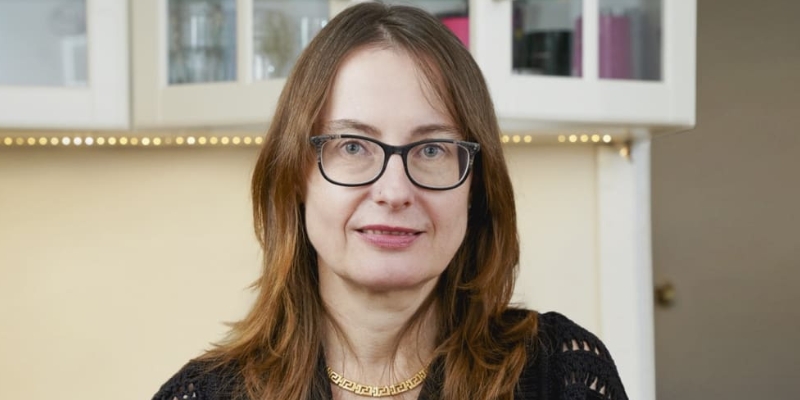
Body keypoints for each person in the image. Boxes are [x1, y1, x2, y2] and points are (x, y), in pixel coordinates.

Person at [152, 3, 628, 400]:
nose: (395, 192)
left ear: (475, 186)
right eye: (353, 146)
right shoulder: (204, 393)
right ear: (296, 175)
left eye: (433, 149)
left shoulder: (561, 376)